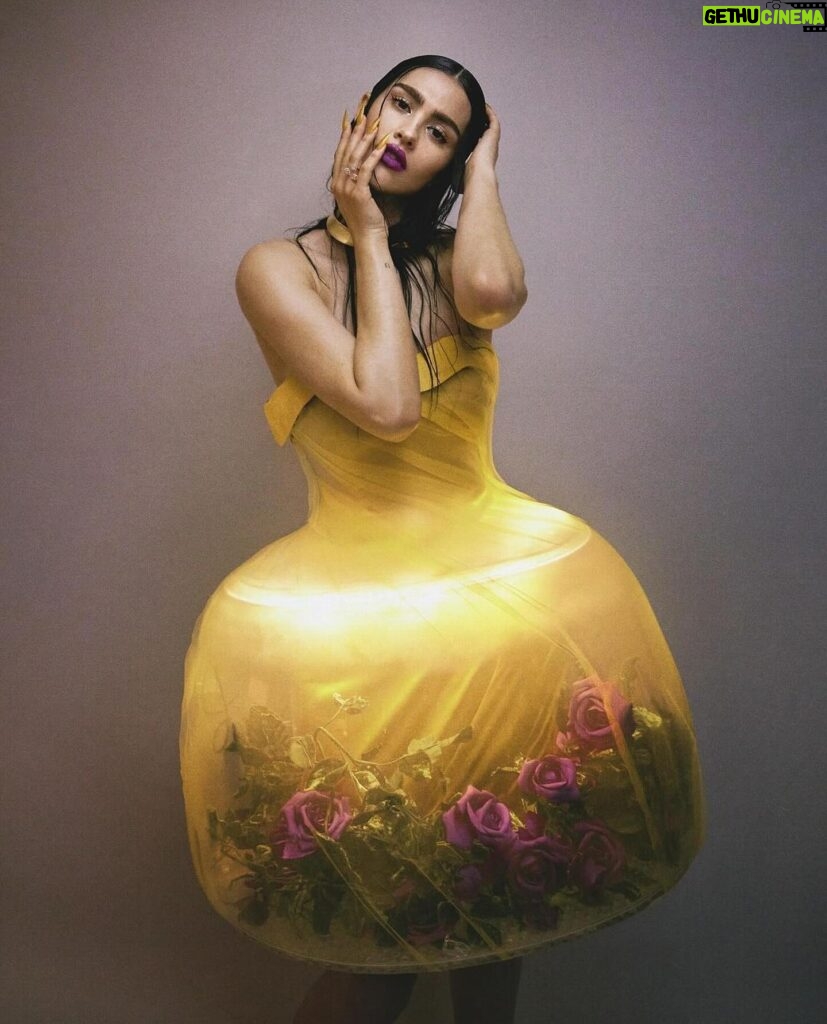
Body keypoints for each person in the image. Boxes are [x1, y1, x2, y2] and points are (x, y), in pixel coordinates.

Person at [180, 55, 705, 1024]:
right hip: (362, 636)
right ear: (362, 110)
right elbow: (382, 405)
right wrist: (369, 238)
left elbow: (496, 295)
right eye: (400, 105)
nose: (408, 133)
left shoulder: (450, 261)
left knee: (499, 914)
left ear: (452, 161)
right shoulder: (277, 268)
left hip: (499, 621)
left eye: (441, 132)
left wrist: (488, 174)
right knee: (382, 950)